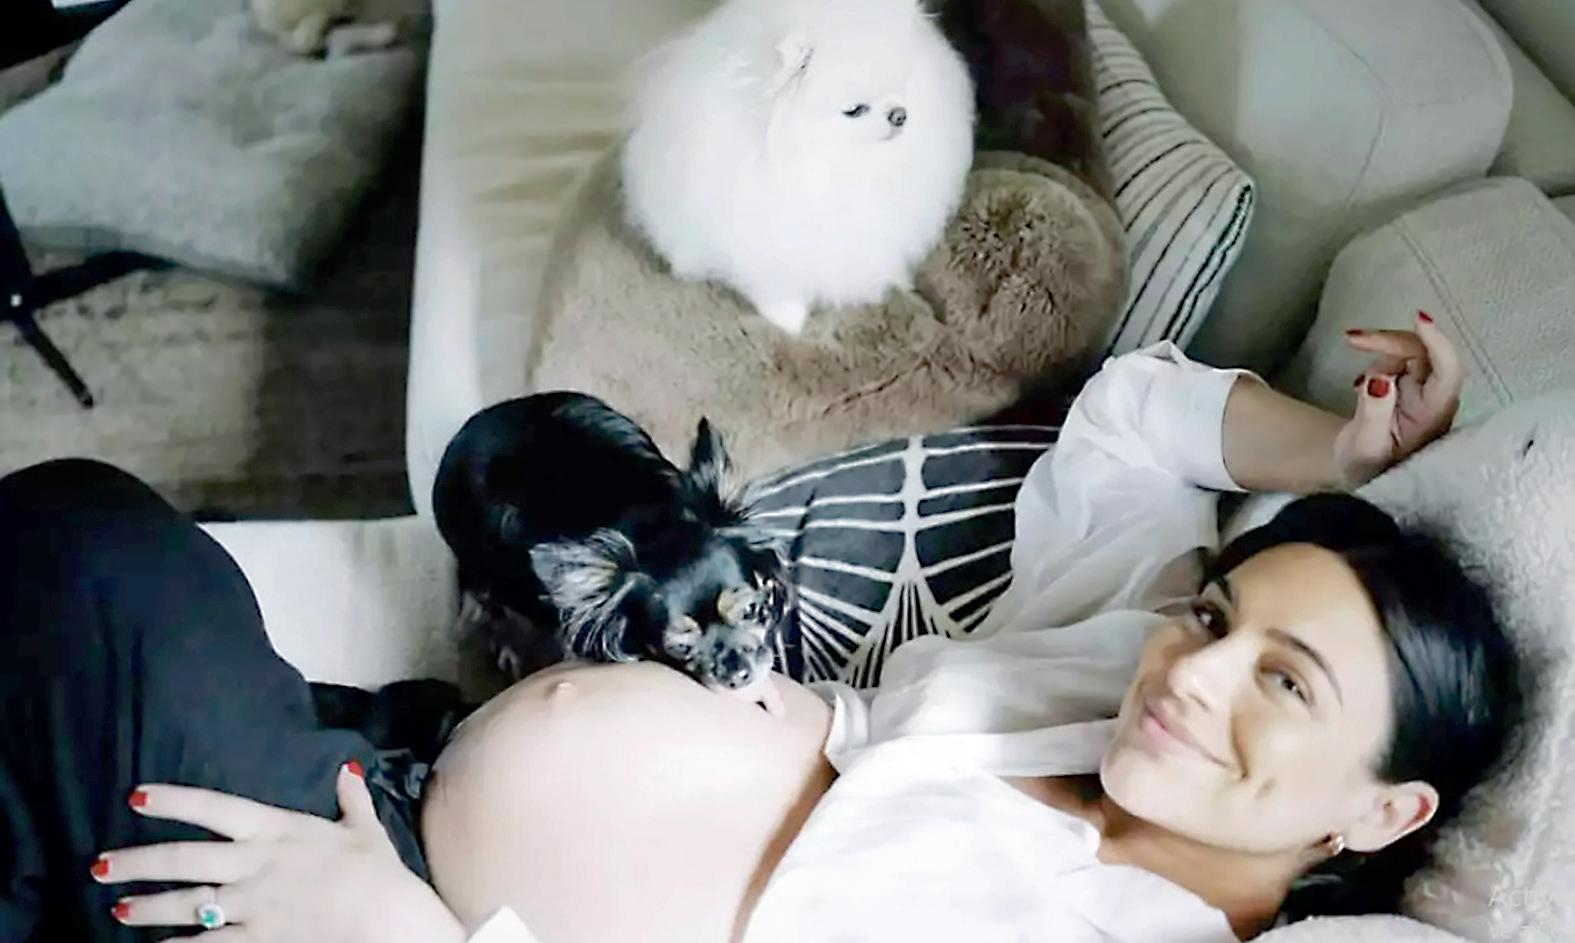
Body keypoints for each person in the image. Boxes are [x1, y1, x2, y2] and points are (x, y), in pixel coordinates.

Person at [0, 313, 1520, 942]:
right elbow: (1128, 423)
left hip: (401, 915)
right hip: (391, 768)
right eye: (1213, 616)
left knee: (86, 556)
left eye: (1284, 684)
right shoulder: (1100, 672)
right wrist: (1341, 455)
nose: (1191, 670)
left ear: (1383, 812)